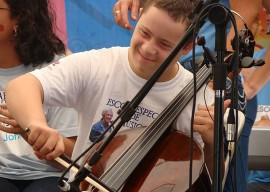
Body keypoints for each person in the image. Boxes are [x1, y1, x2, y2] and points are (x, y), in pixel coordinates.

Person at [4, 0, 232, 190]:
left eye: (164, 44)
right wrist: (36, 123)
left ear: (187, 47)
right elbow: (21, 87)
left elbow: (213, 183)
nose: (148, 48)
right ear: (139, 16)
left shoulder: (198, 98)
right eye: (145, 33)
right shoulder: (99, 64)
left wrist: (213, 142)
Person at [113, 0, 264, 191]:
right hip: (174, 72)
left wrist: (228, 85)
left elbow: (245, 19)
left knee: (223, 181)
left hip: (213, 78)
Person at [0, 0, 78, 191]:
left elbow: (76, 158)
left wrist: (30, 133)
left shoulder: (59, 69)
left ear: (19, 18)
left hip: (51, 175)